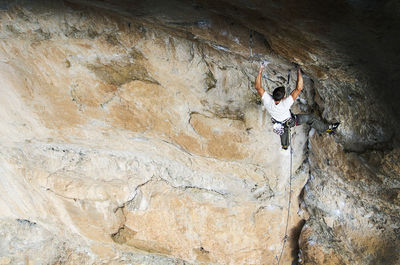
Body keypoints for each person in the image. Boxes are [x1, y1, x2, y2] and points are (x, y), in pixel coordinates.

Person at [255, 63, 339, 150]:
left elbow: (258, 87)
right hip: (291, 121)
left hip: (278, 122)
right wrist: (299, 71)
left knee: (284, 129)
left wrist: (260, 69)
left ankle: (285, 145)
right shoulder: (285, 103)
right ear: (283, 97)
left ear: (272, 95)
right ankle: (326, 129)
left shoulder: (268, 101)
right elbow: (298, 88)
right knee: (310, 118)